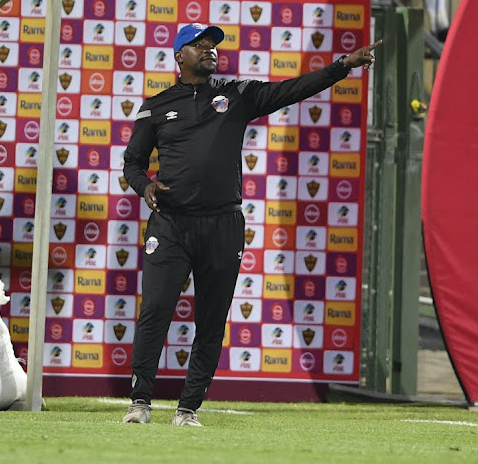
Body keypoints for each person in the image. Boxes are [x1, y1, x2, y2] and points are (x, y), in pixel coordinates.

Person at [121, 22, 381, 426]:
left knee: (211, 318)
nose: (209, 50)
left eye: (212, 46)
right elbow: (133, 162)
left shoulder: (236, 95)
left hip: (223, 225)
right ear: (179, 56)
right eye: (199, 45)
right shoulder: (156, 105)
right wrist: (144, 187)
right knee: (155, 310)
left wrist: (341, 66)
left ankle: (187, 410)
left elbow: (292, 89)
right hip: (170, 224)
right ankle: (139, 403)